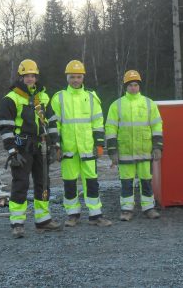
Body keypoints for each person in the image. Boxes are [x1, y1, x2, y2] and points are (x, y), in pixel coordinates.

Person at [0, 59, 61, 238]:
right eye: (27, 76)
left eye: (33, 75)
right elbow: (5, 127)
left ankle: (43, 220)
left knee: (43, 183)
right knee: (21, 183)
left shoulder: (43, 97)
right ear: (21, 77)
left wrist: (54, 143)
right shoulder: (11, 98)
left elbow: (52, 121)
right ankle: (17, 223)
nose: (30, 79)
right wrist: (11, 151)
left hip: (41, 145)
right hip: (21, 148)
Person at [50, 60, 112, 228]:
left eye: (78, 77)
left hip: (87, 149)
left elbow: (98, 122)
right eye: (72, 77)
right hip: (68, 149)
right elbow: (54, 125)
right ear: (67, 77)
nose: (75, 80)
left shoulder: (91, 97)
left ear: (83, 77)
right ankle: (72, 215)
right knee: (69, 183)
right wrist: (56, 146)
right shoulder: (59, 98)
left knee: (91, 182)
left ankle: (95, 215)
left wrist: (99, 144)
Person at [105, 70, 163, 221]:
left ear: (139, 86)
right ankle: (126, 210)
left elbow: (157, 126)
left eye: (136, 85)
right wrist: (112, 150)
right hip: (125, 151)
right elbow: (110, 128)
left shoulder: (149, 104)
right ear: (125, 86)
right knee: (126, 182)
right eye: (130, 85)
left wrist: (157, 146)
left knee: (146, 181)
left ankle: (149, 208)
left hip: (145, 151)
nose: (133, 88)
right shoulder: (116, 105)